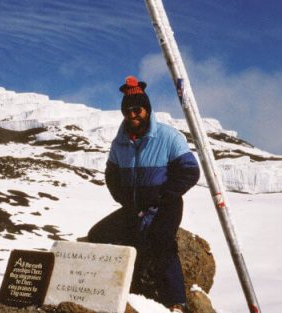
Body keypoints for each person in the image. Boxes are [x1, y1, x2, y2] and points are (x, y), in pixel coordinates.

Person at [88, 76, 200, 313]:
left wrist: (162, 197)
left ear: (147, 109)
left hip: (165, 206)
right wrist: (125, 200)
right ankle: (111, 291)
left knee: (161, 242)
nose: (132, 114)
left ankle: (175, 303)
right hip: (134, 207)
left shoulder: (168, 137)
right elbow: (112, 175)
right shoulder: (119, 143)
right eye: (127, 110)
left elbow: (190, 171)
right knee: (98, 234)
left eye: (137, 109)